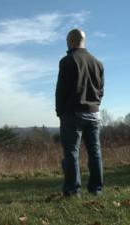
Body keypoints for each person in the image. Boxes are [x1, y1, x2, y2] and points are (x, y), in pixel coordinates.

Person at [55, 29, 104, 197]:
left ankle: (73, 191)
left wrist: (59, 111)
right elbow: (100, 91)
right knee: (95, 152)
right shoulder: (98, 63)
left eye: (67, 41)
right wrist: (95, 105)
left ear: (72, 41)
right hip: (94, 114)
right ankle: (96, 190)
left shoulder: (67, 61)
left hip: (73, 114)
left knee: (71, 152)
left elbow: (61, 90)